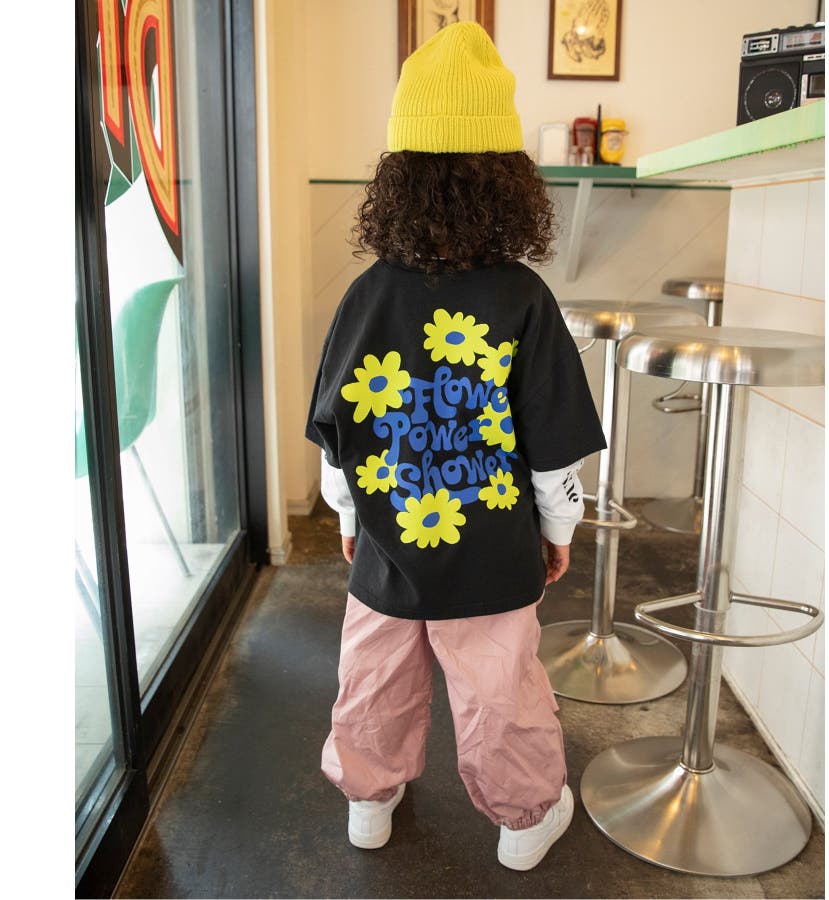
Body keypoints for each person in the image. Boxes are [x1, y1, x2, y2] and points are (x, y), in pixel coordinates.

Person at [305, 21, 606, 872]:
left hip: (389, 541)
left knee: (374, 674)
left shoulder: (367, 295)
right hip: (493, 547)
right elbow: (553, 448)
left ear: (396, 180)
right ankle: (523, 822)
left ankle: (369, 801)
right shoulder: (525, 299)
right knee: (500, 687)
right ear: (508, 183)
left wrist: (347, 520)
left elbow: (339, 434)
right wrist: (558, 530)